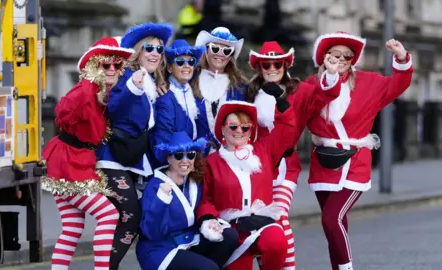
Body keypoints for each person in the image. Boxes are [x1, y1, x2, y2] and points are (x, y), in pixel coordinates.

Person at [304, 31, 413, 270]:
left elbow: (399, 83)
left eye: (348, 55)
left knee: (331, 219)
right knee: (335, 224)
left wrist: (403, 58)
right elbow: (300, 113)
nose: (342, 59)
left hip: (355, 162)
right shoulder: (311, 85)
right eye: (335, 54)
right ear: (324, 56)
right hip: (323, 162)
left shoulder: (369, 82)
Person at [40, 37, 134, 269]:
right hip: (68, 162)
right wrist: (86, 91)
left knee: (72, 227)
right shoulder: (86, 90)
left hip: (75, 159)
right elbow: (63, 112)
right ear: (94, 65)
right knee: (108, 215)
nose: (112, 69)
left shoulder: (104, 92)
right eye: (106, 64)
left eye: (117, 65)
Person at [247, 41, 341, 270]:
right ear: (259, 67)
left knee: (278, 217)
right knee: (259, 222)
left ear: (285, 64)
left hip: (285, 166)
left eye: (277, 63)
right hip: (255, 167)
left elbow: (324, 96)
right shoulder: (248, 92)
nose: (271, 68)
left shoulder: (300, 91)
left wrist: (330, 73)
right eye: (265, 64)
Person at [95, 23, 173, 269]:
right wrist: (132, 88)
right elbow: (113, 108)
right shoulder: (128, 76)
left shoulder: (151, 82)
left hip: (132, 160)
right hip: (111, 158)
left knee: (129, 218)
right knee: (131, 217)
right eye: (149, 48)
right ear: (137, 52)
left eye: (159, 50)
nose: (154, 53)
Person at [196, 89, 297, 270]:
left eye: (245, 127)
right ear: (223, 129)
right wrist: (209, 219)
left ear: (251, 130)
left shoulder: (264, 150)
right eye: (233, 126)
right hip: (232, 229)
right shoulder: (211, 162)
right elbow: (206, 199)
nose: (239, 131)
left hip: (261, 222)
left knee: (278, 242)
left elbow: (287, 129)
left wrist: (281, 100)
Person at [136, 131, 239, 270]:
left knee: (229, 236)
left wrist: (209, 221)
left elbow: (202, 206)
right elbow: (152, 232)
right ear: (168, 159)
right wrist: (162, 199)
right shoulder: (156, 186)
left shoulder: (193, 182)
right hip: (160, 249)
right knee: (209, 268)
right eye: (178, 155)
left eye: (191, 155)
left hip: (188, 240)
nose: (185, 160)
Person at [151, 39, 206, 166]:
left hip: (186, 163)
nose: (187, 66)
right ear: (170, 68)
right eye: (180, 62)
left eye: (191, 61)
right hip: (172, 167)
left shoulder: (192, 91)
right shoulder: (165, 97)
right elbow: (161, 145)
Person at [193, 26, 248, 152]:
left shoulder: (240, 87)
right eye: (215, 48)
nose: (220, 54)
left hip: (228, 158)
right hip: (195, 159)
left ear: (231, 56)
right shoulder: (190, 80)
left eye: (227, 51)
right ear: (206, 50)